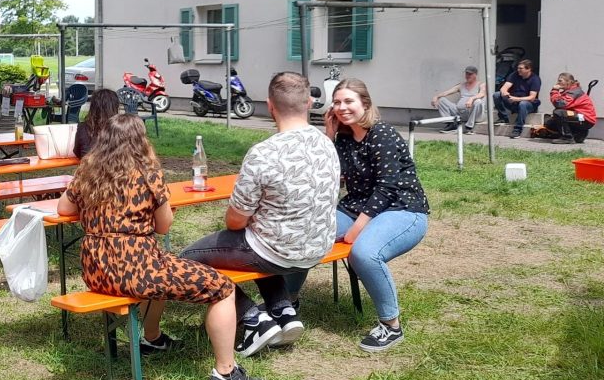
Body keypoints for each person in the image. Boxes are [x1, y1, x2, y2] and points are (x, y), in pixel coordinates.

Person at [57, 114, 262, 380]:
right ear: (141, 140)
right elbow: (164, 227)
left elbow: (64, 209)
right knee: (223, 288)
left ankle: (152, 338)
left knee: (163, 273)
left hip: (97, 271)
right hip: (138, 269)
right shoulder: (147, 173)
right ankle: (226, 373)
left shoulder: (87, 172)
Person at [180, 73, 341, 356]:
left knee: (187, 259)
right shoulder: (327, 144)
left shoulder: (263, 153)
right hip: (316, 247)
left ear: (270, 106)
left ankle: (253, 319)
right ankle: (283, 311)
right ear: (309, 103)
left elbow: (235, 221)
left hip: (276, 250)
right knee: (258, 242)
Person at [287, 79, 429, 352]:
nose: (342, 107)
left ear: (365, 103)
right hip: (355, 206)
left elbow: (387, 188)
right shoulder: (344, 138)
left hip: (401, 208)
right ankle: (287, 303)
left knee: (363, 253)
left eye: (348, 101)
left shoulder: (382, 133)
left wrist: (356, 229)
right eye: (337, 102)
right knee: (304, 235)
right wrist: (329, 135)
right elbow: (328, 176)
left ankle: (391, 325)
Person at [532, 73, 596, 143]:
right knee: (550, 123)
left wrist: (554, 90)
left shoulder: (574, 92)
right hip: (579, 117)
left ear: (569, 82)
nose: (558, 83)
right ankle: (578, 135)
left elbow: (559, 104)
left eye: (560, 81)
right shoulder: (569, 91)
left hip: (584, 119)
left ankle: (567, 137)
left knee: (559, 113)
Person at [493, 58, 541, 138]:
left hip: (528, 103)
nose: (518, 70)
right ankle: (503, 117)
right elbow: (504, 87)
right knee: (497, 95)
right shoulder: (514, 75)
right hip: (513, 100)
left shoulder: (535, 79)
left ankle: (517, 130)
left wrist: (516, 99)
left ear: (528, 69)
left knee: (523, 104)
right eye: (518, 68)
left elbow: (532, 97)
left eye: (521, 68)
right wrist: (505, 92)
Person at [432, 65, 487, 133]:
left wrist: (471, 99)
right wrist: (436, 97)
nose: (468, 76)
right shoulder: (461, 85)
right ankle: (450, 124)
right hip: (460, 113)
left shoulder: (481, 84)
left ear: (475, 75)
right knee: (441, 100)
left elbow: (482, 94)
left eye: (470, 74)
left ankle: (469, 126)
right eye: (466, 74)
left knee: (478, 101)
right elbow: (447, 92)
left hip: (475, 115)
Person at [73, 88, 120, 157]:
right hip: (113, 163)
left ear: (92, 107)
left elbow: (77, 151)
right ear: (115, 107)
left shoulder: (83, 128)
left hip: (88, 163)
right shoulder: (121, 129)